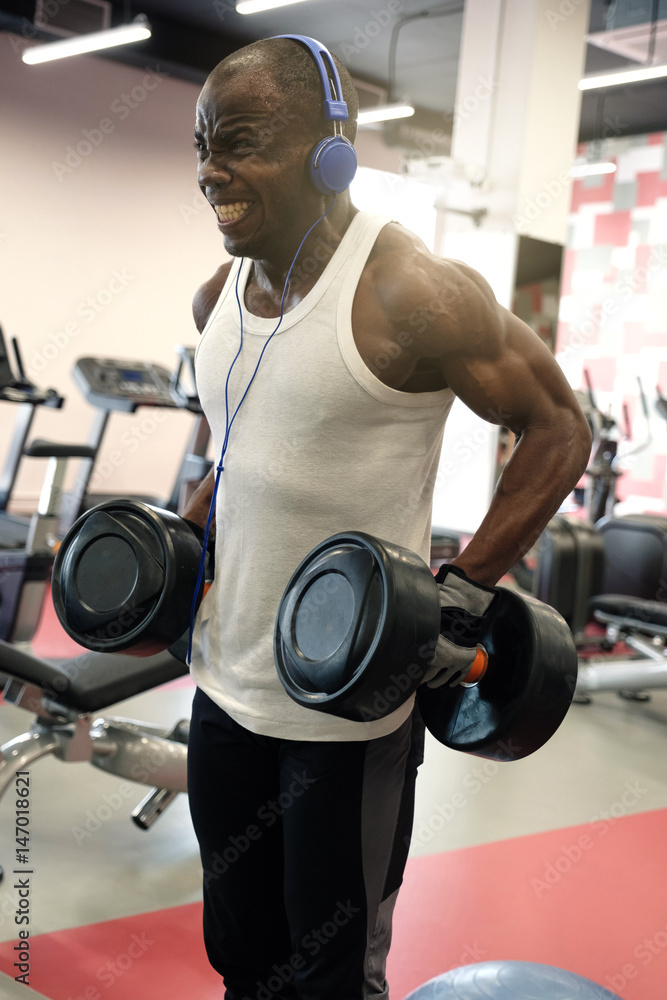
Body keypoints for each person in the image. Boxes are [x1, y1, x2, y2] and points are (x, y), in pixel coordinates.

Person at [183, 35, 591, 1000]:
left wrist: (462, 593)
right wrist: (184, 534)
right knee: (239, 954)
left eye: (238, 142)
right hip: (221, 686)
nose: (209, 172)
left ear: (330, 153)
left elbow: (558, 427)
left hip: (346, 712)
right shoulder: (218, 298)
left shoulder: (409, 289)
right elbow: (236, 455)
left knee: (329, 971)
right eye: (199, 146)